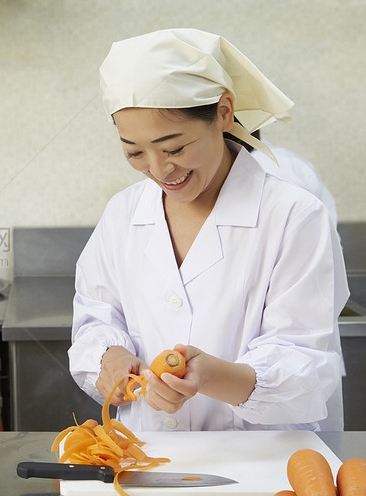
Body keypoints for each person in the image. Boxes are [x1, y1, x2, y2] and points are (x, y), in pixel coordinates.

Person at [69, 29, 348, 431]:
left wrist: (212, 377)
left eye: (174, 148)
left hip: (264, 465)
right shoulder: (123, 213)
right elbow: (96, 316)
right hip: (149, 455)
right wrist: (109, 356)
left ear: (223, 112)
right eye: (134, 152)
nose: (159, 170)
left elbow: (304, 362)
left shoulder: (295, 216)